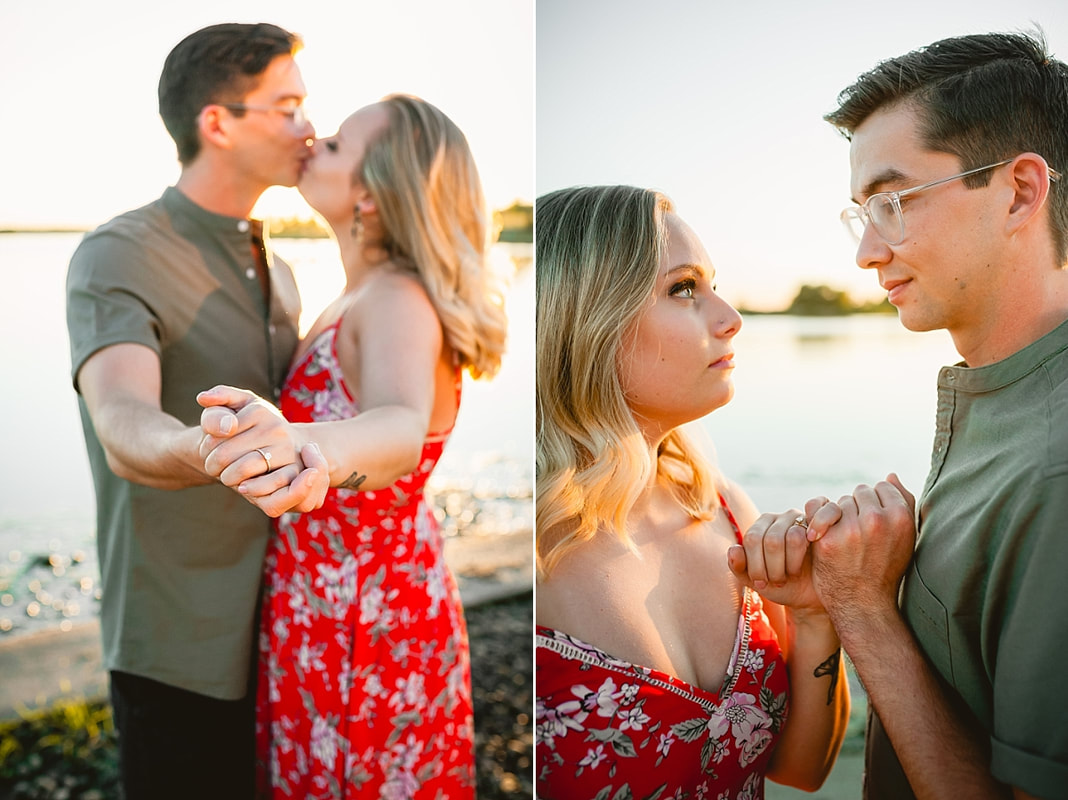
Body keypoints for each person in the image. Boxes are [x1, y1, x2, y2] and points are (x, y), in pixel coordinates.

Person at [196, 94, 508, 797]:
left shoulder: (397, 298)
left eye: (335, 144)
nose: (312, 143)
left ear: (372, 192)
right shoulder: (354, 296)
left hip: (367, 616)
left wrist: (305, 441)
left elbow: (399, 425)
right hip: (321, 600)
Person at [787, 29, 1068, 800]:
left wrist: (862, 610)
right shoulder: (1009, 394)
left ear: (1019, 191)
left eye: (893, 201)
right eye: (861, 212)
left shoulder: (1057, 468)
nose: (867, 253)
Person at [65, 22, 327, 800]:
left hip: (287, 625)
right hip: (177, 639)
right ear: (218, 122)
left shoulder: (278, 267)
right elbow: (121, 421)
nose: (308, 127)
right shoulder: (118, 252)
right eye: (286, 107)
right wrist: (206, 446)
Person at [533, 184, 849, 798]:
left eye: (712, 284)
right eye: (683, 289)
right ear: (587, 320)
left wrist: (815, 617)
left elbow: (801, 770)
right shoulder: (538, 548)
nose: (731, 317)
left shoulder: (727, 510)